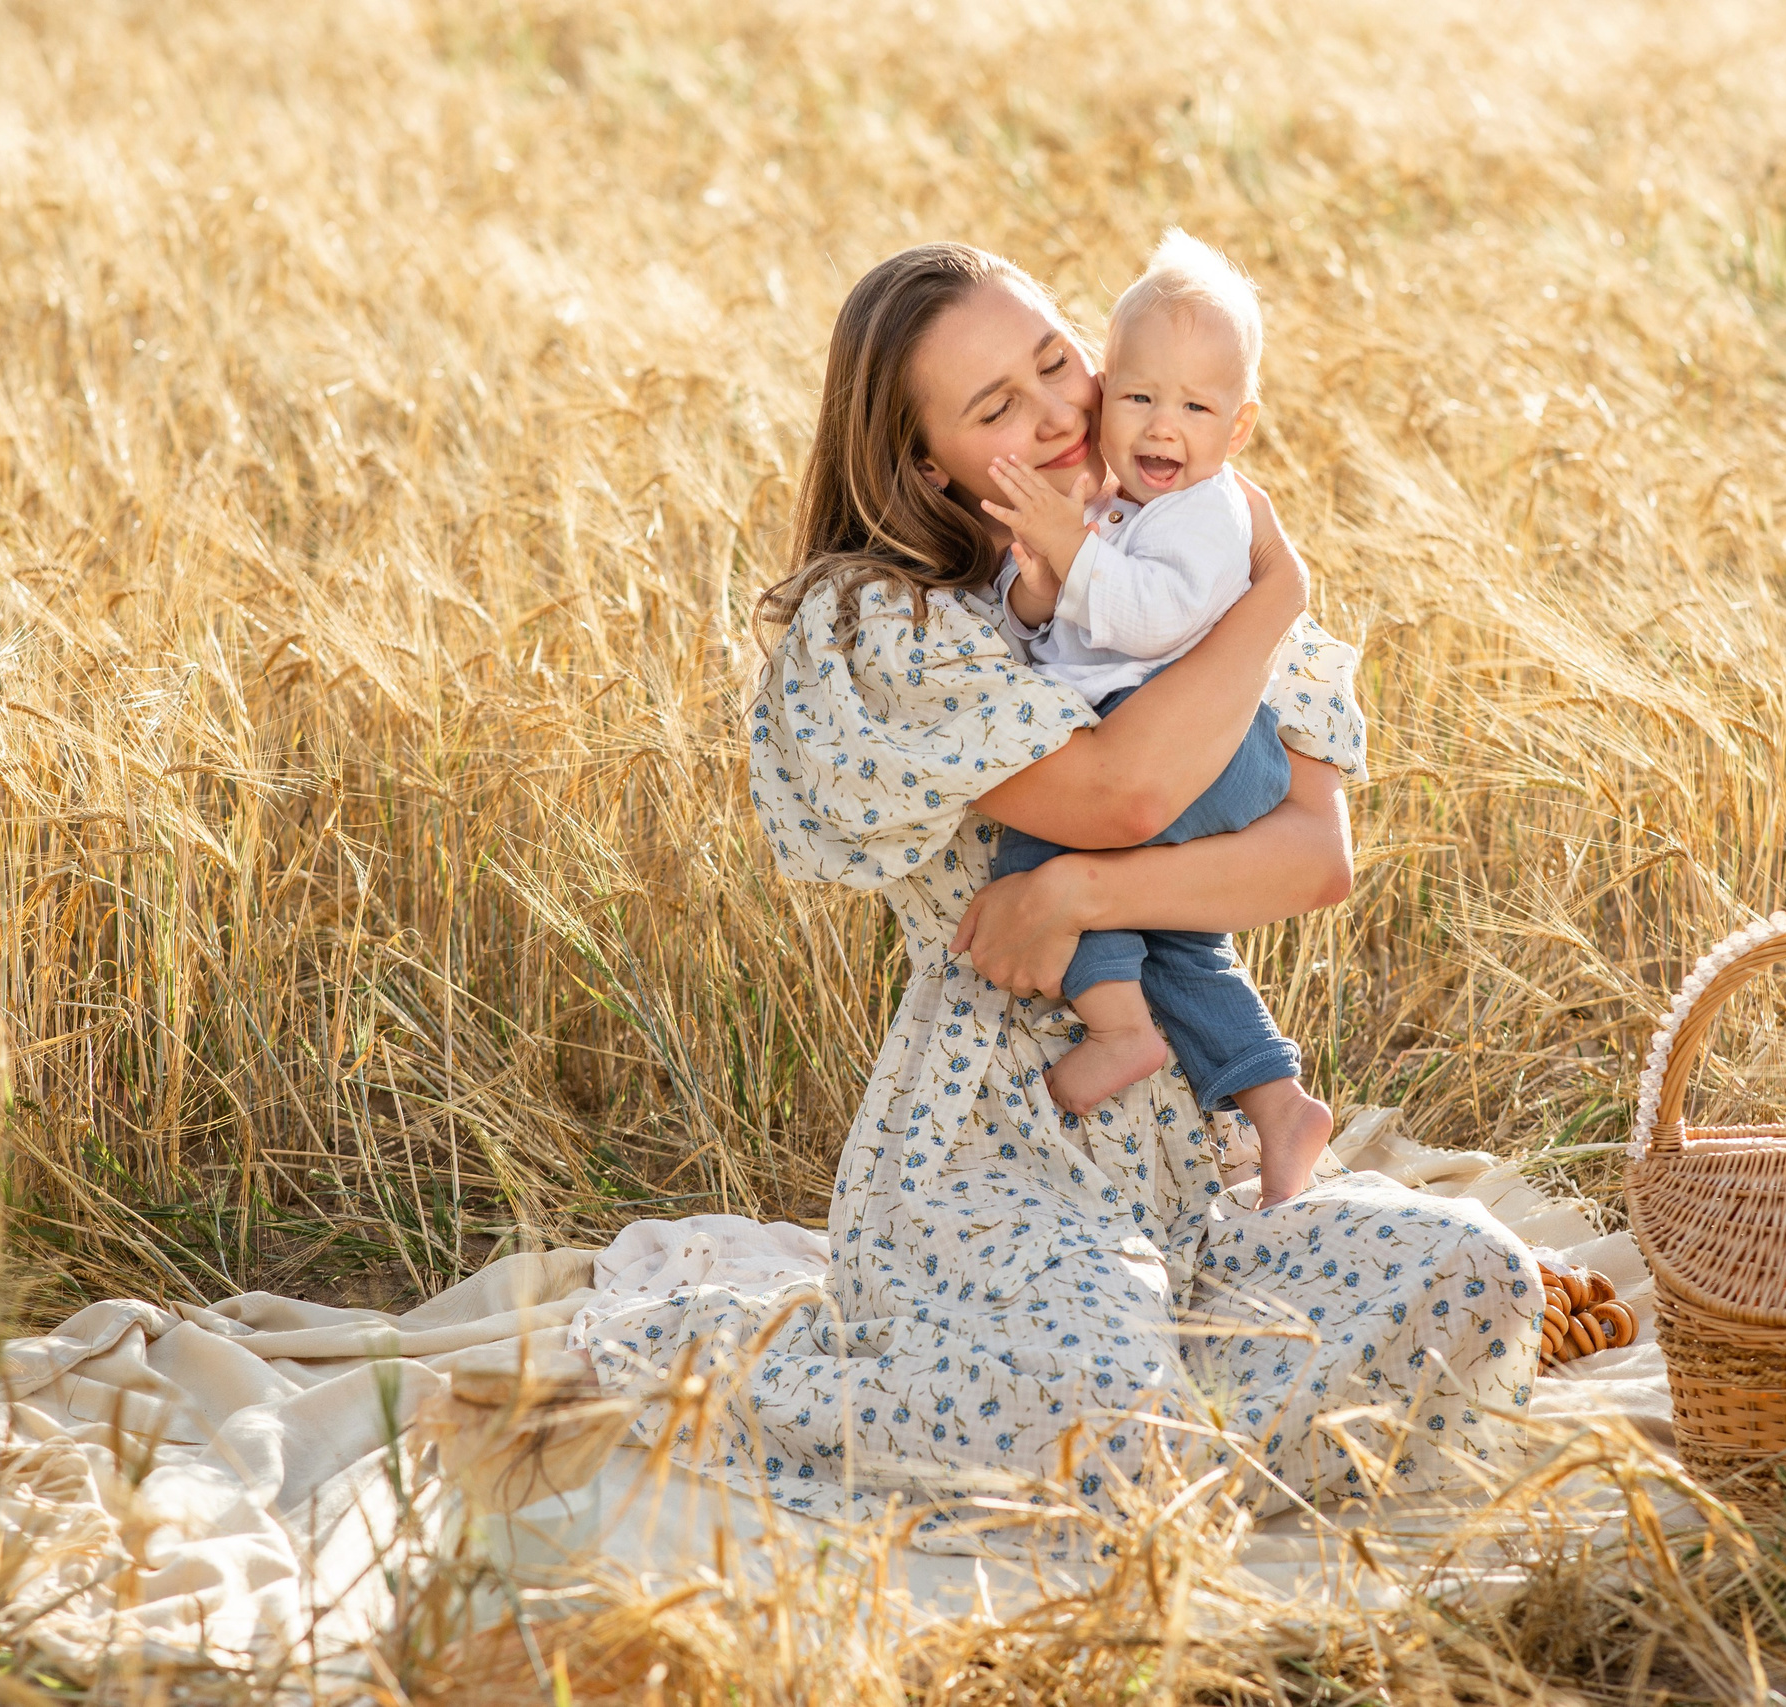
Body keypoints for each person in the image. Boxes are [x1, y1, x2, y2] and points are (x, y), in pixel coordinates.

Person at [579, 241, 1542, 1553]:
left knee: (1468, 1272)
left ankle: (1144, 1408)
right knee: (1111, 1428)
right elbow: (1123, 791)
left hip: (1170, 1149)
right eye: (996, 410)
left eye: (1057, 362)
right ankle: (792, 1369)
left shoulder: (1187, 545)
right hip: (990, 1144)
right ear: (930, 465)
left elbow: (1311, 855)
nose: (1057, 413)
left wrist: (1086, 884)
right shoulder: (890, 626)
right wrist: (1276, 596)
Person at [979, 230, 1330, 1206]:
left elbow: (1153, 615)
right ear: (1105, 387)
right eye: (1138, 396)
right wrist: (1040, 583)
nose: (1161, 426)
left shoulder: (1210, 511)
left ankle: (1119, 1032)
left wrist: (1070, 549)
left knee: (1044, 854)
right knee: (1179, 939)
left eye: (1194, 406)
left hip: (1207, 751)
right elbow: (1052, 628)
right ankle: (1277, 1104)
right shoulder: (1119, 503)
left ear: (1239, 426)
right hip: (1175, 742)